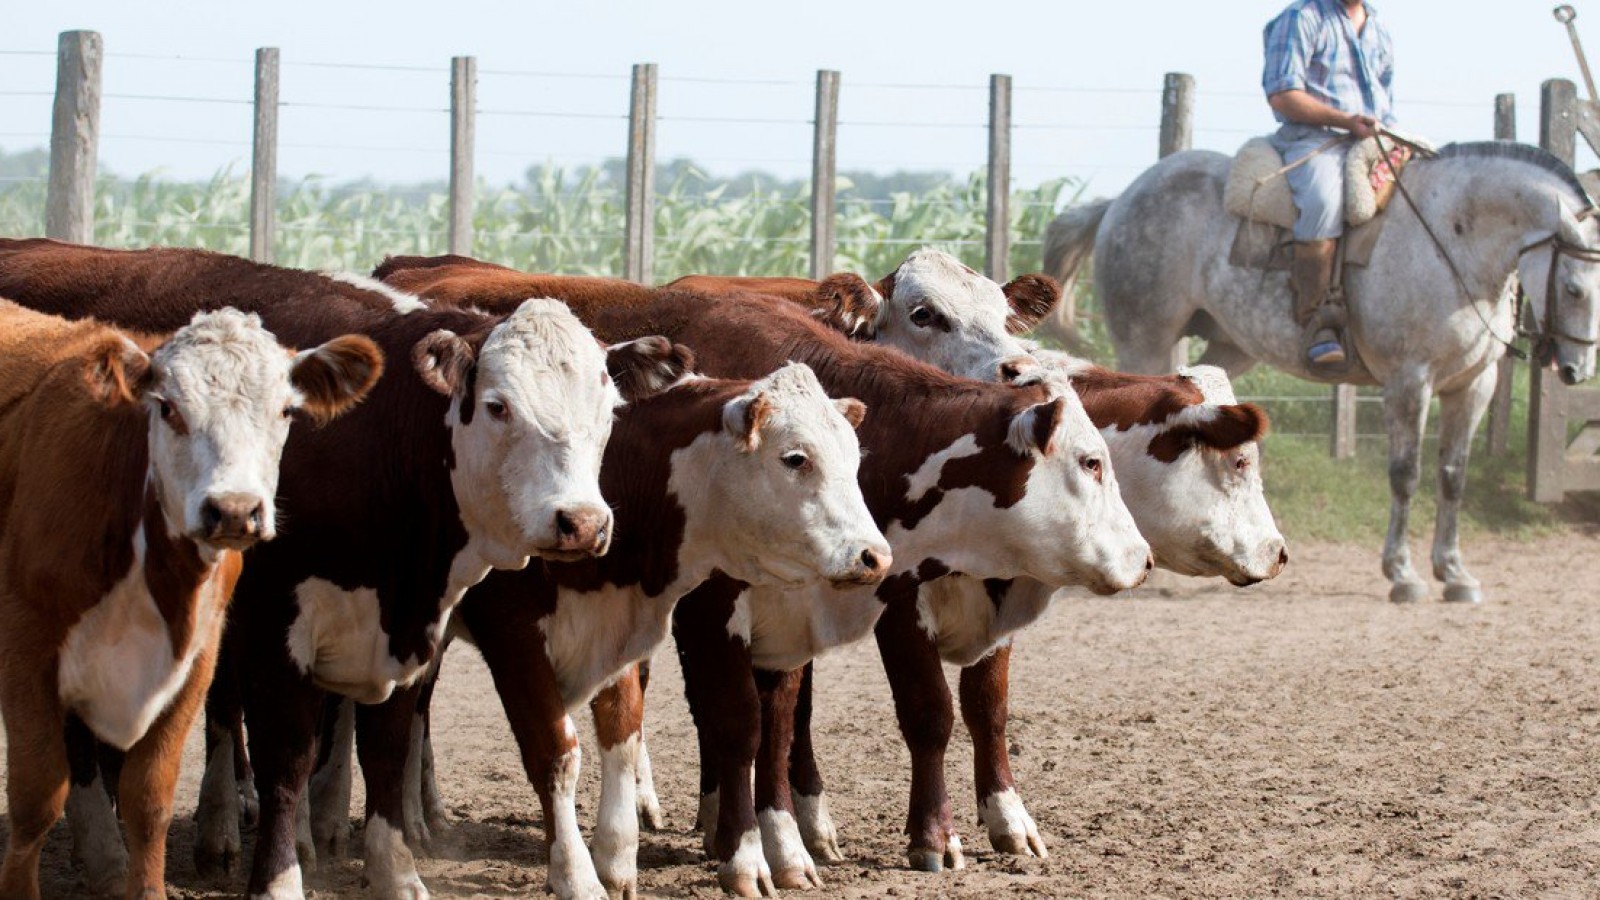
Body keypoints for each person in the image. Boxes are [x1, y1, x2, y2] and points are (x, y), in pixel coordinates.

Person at [1263, 0, 1396, 370]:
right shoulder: (1301, 18)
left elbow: (1386, 97)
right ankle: (1318, 320)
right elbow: (1283, 95)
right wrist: (1345, 120)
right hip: (1315, 140)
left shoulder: (1378, 27)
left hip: (1372, 140)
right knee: (1324, 199)